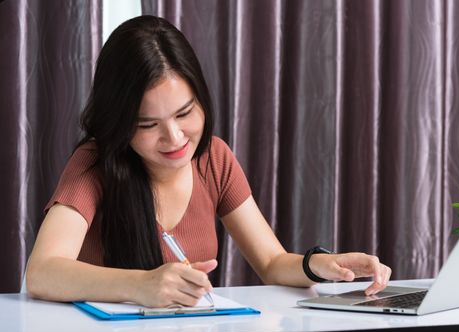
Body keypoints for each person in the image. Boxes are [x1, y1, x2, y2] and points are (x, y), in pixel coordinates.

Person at [25, 15, 391, 308]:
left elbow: (271, 262)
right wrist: (142, 284)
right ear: (119, 124)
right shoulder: (95, 162)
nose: (174, 138)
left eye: (184, 113)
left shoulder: (214, 157)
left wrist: (319, 265)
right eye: (148, 125)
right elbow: (42, 273)